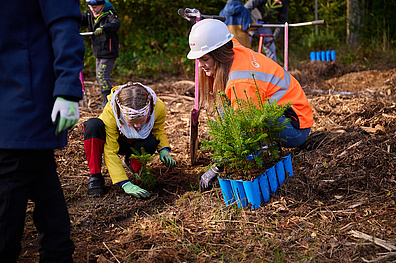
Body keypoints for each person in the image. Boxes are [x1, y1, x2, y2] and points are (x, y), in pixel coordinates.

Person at [0, 0, 85, 261]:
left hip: (24, 100)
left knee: (11, 185)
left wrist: (68, 89)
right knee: (42, 180)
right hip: (11, 99)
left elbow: (64, 25)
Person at [186, 19, 313, 189]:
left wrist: (218, 165)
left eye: (205, 59)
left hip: (296, 127)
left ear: (219, 54)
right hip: (284, 115)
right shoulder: (233, 48)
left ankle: (265, 152)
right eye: (198, 59)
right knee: (226, 110)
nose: (200, 65)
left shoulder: (241, 81)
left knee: (251, 123)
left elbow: (246, 128)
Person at [83, 83, 176, 198]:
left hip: (134, 142)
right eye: (132, 122)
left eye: (141, 121)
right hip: (114, 140)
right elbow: (110, 150)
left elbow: (158, 130)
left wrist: (163, 149)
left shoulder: (158, 107)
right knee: (93, 126)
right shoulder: (111, 112)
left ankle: (133, 163)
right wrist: (124, 183)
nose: (137, 126)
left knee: (151, 141)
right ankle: (95, 176)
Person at [81, 0, 120, 108]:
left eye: (96, 6)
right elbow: (79, 21)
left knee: (102, 75)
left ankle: (108, 102)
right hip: (98, 51)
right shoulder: (89, 13)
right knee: (99, 75)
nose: (93, 9)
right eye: (91, 6)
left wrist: (103, 28)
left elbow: (115, 23)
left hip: (109, 51)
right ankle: (107, 100)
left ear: (102, 5)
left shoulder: (109, 13)